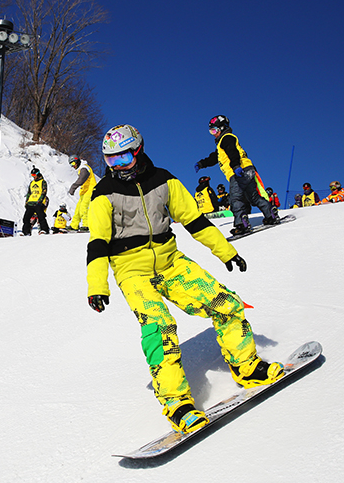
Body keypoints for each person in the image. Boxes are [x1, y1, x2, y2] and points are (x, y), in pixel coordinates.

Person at [87, 124, 284, 434]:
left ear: (138, 151)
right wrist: (97, 286)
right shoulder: (103, 194)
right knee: (159, 326)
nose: (119, 167)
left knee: (227, 304)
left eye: (124, 158)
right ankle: (177, 402)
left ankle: (247, 365)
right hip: (131, 271)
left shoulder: (164, 181)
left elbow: (194, 220)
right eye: (111, 161)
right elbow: (98, 242)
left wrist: (226, 252)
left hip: (171, 263)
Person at [195, 115, 278, 235]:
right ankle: (270, 214)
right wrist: (202, 163)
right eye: (210, 131)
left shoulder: (227, 138)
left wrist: (235, 167)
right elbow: (215, 157)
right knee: (253, 197)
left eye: (214, 130)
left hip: (238, 172)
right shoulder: (222, 143)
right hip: (247, 170)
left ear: (222, 128)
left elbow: (232, 151)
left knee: (235, 198)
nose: (213, 134)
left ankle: (241, 223)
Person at [67, 155, 97, 231]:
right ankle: (74, 225)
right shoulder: (81, 169)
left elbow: (82, 178)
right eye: (71, 164)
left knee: (83, 208)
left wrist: (73, 187)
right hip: (84, 192)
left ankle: (86, 225)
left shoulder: (84, 168)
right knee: (78, 210)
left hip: (90, 191)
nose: (73, 166)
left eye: (73, 163)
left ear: (77, 161)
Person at [22, 167, 49, 235]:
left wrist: (40, 201)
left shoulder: (43, 182)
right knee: (26, 218)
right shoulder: (32, 183)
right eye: (32, 175)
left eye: (34, 175)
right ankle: (26, 232)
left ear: (38, 174)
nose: (33, 177)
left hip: (38, 202)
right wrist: (27, 202)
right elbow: (29, 193)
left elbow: (44, 192)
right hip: (31, 202)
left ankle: (44, 230)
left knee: (41, 216)